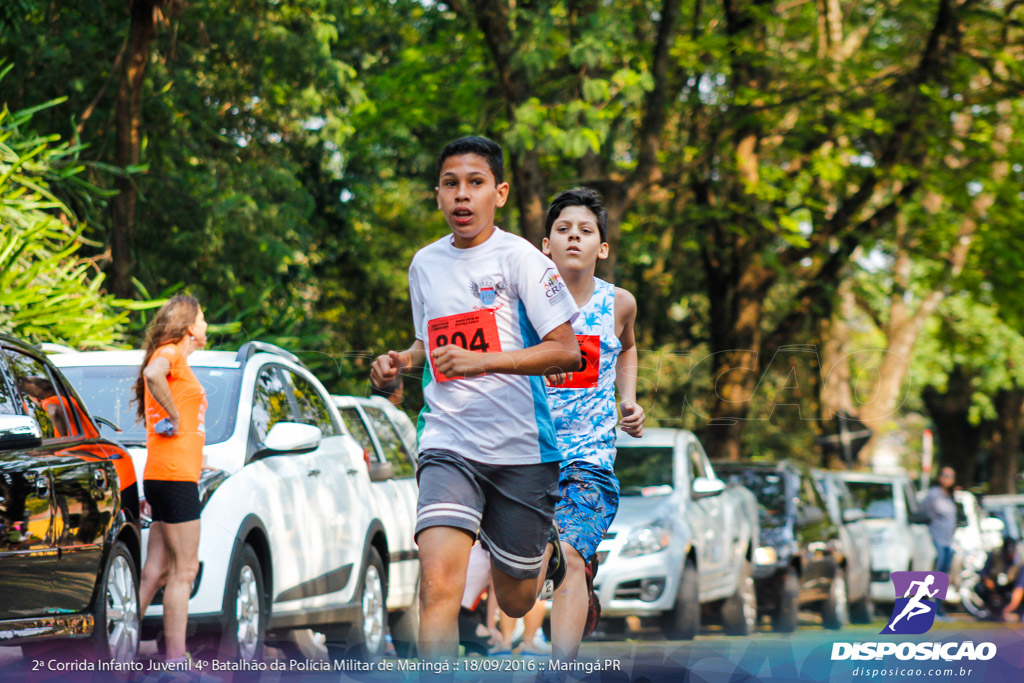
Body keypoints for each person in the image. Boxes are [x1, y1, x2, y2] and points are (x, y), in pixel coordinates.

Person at [370, 136, 582, 661]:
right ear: (437, 195)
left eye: (475, 183)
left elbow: (568, 352)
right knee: (438, 587)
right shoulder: (424, 264)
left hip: (522, 450)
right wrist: (400, 362)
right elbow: (431, 343)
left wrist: (483, 361)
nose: (462, 196)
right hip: (449, 442)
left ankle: (547, 555)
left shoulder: (523, 260)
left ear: (500, 193)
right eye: (450, 184)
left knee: (515, 600)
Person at [541, 187, 645, 663]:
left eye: (585, 231)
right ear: (546, 245)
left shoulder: (619, 302)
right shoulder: (525, 302)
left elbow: (626, 348)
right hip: (530, 454)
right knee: (529, 576)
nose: (574, 238)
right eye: (563, 230)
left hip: (590, 457)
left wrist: (629, 401)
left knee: (571, 556)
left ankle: (559, 670)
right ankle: (567, 576)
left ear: (602, 247)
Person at [134, 294, 209, 663]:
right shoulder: (172, 351)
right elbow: (152, 375)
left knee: (156, 571)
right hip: (177, 480)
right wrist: (176, 418)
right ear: (190, 327)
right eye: (204, 318)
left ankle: (118, 649)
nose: (207, 325)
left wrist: (198, 454)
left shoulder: (173, 356)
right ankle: (176, 661)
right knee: (185, 570)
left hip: (163, 474)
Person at [921, 466, 957, 617]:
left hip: (948, 542)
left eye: (950, 476)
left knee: (943, 578)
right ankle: (929, 609)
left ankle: (939, 609)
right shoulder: (933, 494)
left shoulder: (949, 496)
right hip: (936, 540)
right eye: (944, 475)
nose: (947, 478)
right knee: (934, 577)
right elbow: (923, 512)